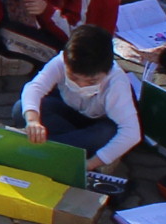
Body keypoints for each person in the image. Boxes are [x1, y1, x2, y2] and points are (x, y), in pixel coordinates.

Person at [17, 25, 144, 168]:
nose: (82, 85)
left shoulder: (116, 83)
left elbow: (132, 132)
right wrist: (33, 121)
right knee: (21, 108)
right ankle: (66, 148)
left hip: (99, 123)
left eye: (92, 81)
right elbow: (35, 87)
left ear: (107, 70)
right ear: (65, 59)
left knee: (105, 134)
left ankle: (40, 146)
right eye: (74, 78)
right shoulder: (61, 62)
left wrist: (89, 165)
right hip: (70, 113)